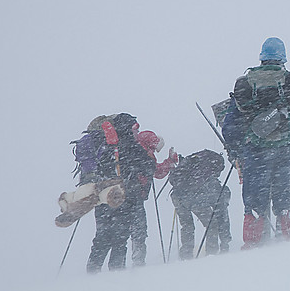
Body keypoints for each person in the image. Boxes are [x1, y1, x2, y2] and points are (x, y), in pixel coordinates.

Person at [221, 37, 290, 249]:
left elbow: (230, 125)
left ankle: (254, 246)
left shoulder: (246, 84)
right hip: (288, 148)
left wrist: (236, 150)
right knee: (285, 198)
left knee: (255, 202)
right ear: (282, 58)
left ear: (262, 58)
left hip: (255, 152)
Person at [86, 113, 156, 273]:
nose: (135, 132)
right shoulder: (130, 146)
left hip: (103, 199)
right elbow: (148, 167)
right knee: (119, 239)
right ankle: (116, 274)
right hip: (124, 199)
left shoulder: (105, 145)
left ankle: (91, 272)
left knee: (101, 238)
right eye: (133, 128)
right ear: (127, 128)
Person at [168, 149, 232, 258]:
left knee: (187, 226)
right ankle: (211, 253)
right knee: (212, 225)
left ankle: (186, 255)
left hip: (177, 196)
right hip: (193, 198)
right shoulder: (207, 174)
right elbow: (220, 208)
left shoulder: (192, 161)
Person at [132, 130, 178, 266]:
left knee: (122, 232)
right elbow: (156, 172)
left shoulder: (134, 150)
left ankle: (117, 265)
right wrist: (169, 162)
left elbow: (155, 171)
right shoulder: (144, 152)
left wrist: (168, 162)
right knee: (139, 230)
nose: (155, 150)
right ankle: (138, 262)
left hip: (126, 195)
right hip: (136, 196)